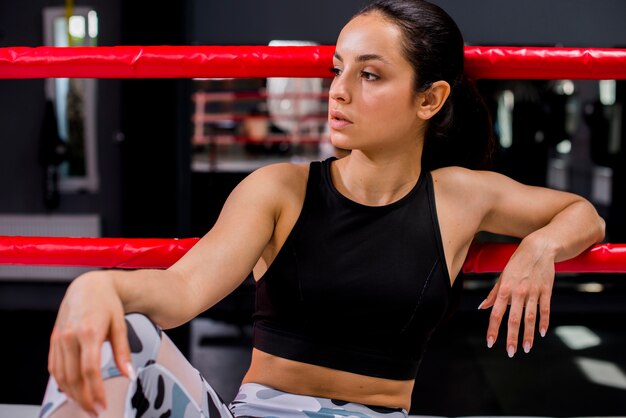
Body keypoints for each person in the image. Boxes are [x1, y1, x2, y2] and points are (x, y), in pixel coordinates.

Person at [41, 1, 605, 417]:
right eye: (338, 68)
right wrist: (100, 287)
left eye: (370, 74)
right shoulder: (278, 190)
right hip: (256, 413)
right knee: (127, 330)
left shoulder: (460, 195)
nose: (338, 90)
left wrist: (540, 246)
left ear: (429, 99)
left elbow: (584, 214)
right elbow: (183, 290)